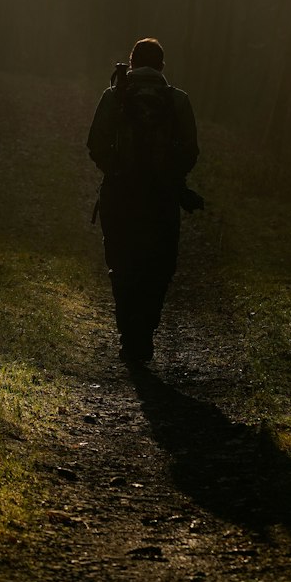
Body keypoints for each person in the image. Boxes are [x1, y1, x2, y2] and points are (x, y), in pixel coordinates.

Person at [87, 36, 200, 365]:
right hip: (162, 199)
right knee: (158, 266)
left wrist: (118, 171)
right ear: (162, 66)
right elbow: (190, 151)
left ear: (131, 63)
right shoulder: (177, 100)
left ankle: (128, 337)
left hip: (119, 196)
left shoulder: (114, 97)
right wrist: (169, 179)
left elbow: (95, 144)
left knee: (122, 265)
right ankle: (145, 334)